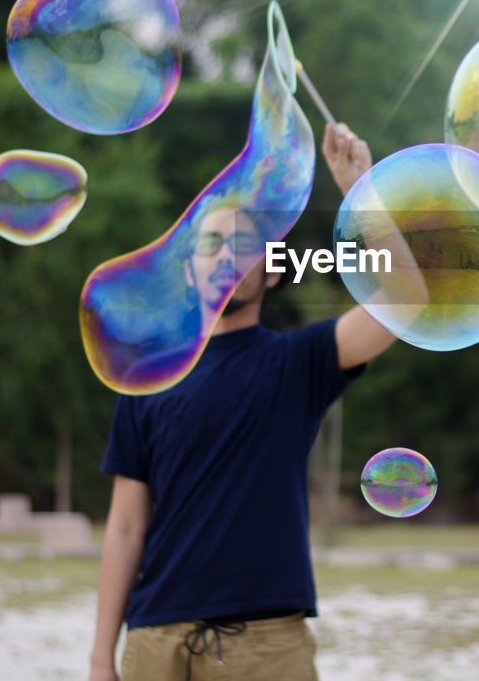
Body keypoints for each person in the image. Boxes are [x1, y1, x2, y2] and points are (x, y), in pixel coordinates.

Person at [89, 122, 397, 681]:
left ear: (274, 267)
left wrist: (363, 191)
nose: (227, 255)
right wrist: (99, 656)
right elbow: (126, 527)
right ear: (189, 268)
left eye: (244, 244)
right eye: (210, 243)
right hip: (154, 640)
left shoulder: (298, 362)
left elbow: (406, 298)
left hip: (265, 646)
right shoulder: (147, 378)